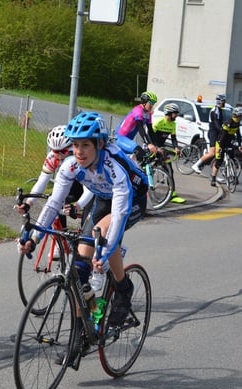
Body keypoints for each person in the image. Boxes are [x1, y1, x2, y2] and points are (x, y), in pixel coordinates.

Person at [19, 111, 148, 332]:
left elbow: (118, 214)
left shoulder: (113, 165)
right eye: (76, 145)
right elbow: (53, 204)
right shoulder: (70, 165)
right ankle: (81, 333)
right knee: (78, 273)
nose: (79, 151)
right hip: (103, 199)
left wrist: (105, 253)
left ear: (100, 144)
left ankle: (123, 287)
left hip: (132, 199)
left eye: (86, 145)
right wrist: (34, 237)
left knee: (103, 234)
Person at [15, 125, 92, 223]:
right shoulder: (52, 157)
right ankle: (61, 230)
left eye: (63, 151)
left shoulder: (80, 158)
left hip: (90, 187)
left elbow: (90, 190)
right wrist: (29, 203)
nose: (59, 155)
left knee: (87, 224)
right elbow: (42, 182)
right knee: (55, 201)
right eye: (55, 151)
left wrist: (77, 206)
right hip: (70, 184)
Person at [151, 102, 186, 203]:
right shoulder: (159, 122)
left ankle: (172, 195)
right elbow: (150, 136)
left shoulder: (173, 124)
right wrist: (156, 147)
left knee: (170, 170)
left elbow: (174, 138)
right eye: (175, 113)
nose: (177, 115)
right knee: (148, 169)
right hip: (153, 147)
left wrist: (176, 148)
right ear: (169, 113)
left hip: (162, 149)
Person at [114, 91, 159, 161]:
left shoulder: (148, 114)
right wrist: (148, 144)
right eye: (150, 103)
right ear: (144, 102)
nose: (152, 106)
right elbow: (141, 128)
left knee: (146, 156)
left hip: (129, 140)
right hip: (121, 138)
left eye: (153, 103)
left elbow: (150, 131)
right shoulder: (138, 110)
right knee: (139, 152)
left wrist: (156, 146)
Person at [192, 94, 227, 176]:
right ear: (219, 102)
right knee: (212, 153)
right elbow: (216, 124)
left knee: (218, 153)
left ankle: (214, 174)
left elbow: (221, 123)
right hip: (213, 133)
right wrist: (222, 130)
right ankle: (196, 165)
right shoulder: (214, 111)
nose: (224, 103)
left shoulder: (220, 110)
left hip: (217, 133)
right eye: (223, 101)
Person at [210, 106, 242, 187]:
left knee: (232, 158)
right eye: (241, 115)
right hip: (220, 142)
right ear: (238, 115)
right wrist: (220, 147)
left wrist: (240, 145)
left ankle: (234, 176)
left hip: (228, 142)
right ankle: (213, 179)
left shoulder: (237, 123)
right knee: (219, 162)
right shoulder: (229, 123)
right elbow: (223, 136)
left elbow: (238, 134)